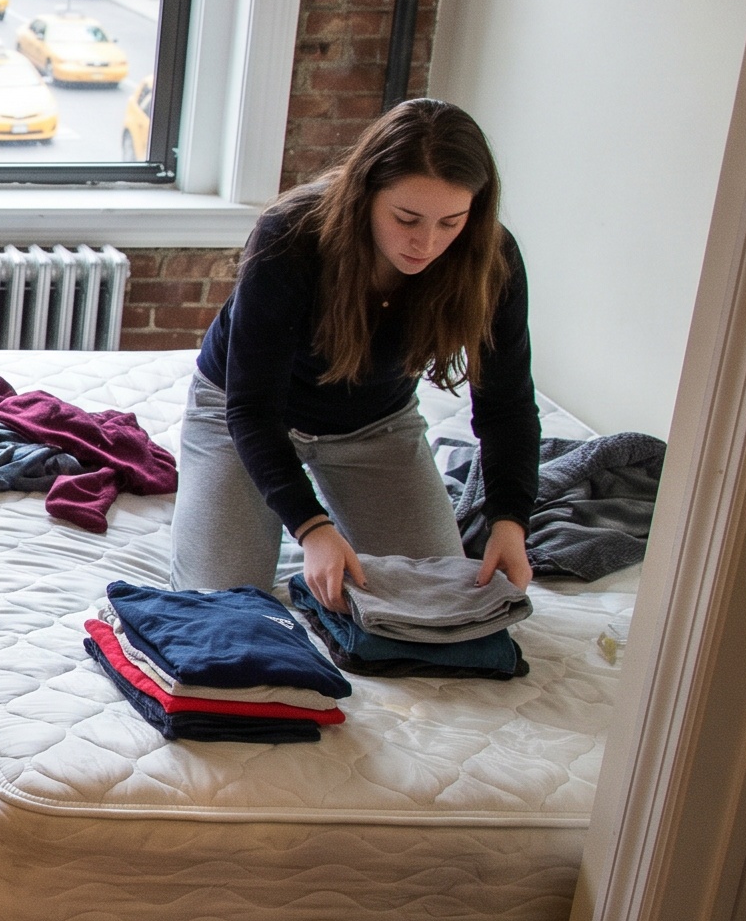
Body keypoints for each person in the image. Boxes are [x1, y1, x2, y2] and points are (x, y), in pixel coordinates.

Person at [169, 97, 540, 606]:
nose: (426, 244)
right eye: (407, 218)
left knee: (433, 597)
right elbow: (252, 409)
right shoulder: (291, 235)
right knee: (218, 604)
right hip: (245, 419)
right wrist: (312, 527)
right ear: (365, 193)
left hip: (375, 425)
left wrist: (509, 519)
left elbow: (508, 405)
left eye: (450, 223)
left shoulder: (491, 259)